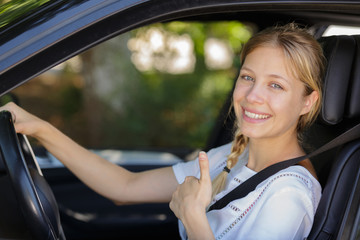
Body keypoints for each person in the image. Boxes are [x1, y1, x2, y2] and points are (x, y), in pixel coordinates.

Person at [0, 23, 325, 240]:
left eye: (276, 85)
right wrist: (41, 129)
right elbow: (125, 187)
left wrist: (193, 217)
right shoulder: (233, 154)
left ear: (307, 102)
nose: (253, 96)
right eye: (248, 77)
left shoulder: (287, 197)